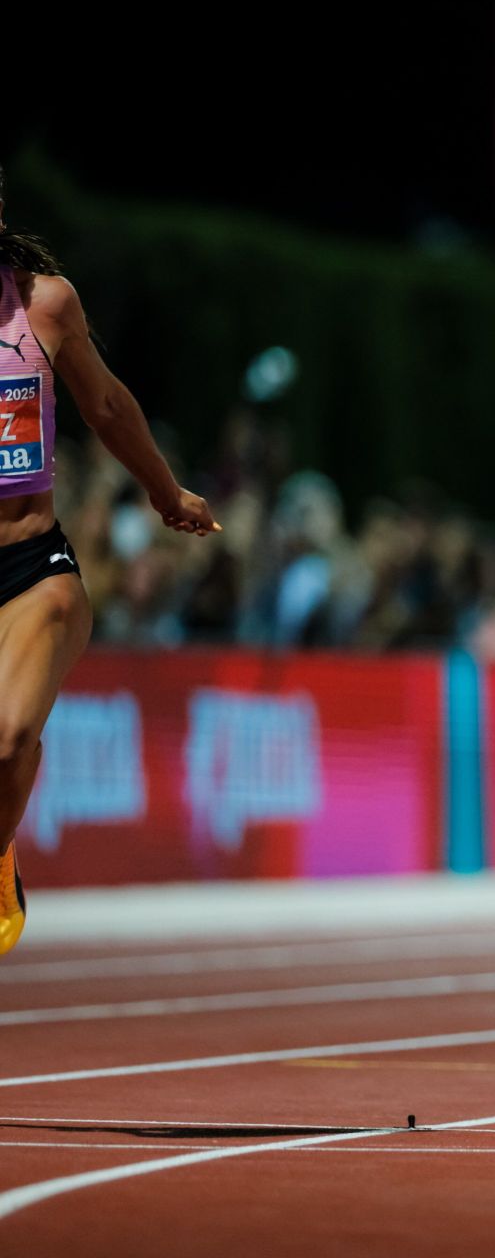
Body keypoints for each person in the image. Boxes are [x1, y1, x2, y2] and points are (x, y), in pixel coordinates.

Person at [0, 164, 220, 957]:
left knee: (7, 734)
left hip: (31, 568)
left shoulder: (42, 303)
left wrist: (167, 494)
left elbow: (108, 405)